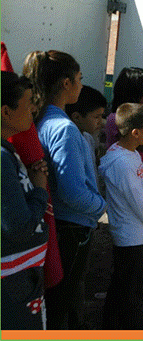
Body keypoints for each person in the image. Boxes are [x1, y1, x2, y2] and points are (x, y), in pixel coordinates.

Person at [34, 50, 107, 329]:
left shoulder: (43, 119)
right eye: (79, 78)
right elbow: (73, 191)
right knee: (62, 304)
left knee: (60, 301)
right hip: (71, 228)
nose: (80, 83)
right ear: (66, 83)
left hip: (60, 224)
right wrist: (101, 206)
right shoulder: (63, 128)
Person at [99, 103, 143, 329]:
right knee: (134, 298)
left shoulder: (130, 154)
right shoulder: (123, 162)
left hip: (137, 234)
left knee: (122, 289)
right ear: (136, 133)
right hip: (132, 239)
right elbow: (140, 203)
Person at [1, 71, 49, 329]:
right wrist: (39, 190)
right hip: (12, 286)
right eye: (28, 101)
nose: (33, 108)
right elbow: (19, 226)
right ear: (5, 112)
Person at [65, 85, 107, 184]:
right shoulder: (69, 142)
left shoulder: (88, 138)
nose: (100, 121)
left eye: (102, 116)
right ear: (76, 117)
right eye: (97, 117)